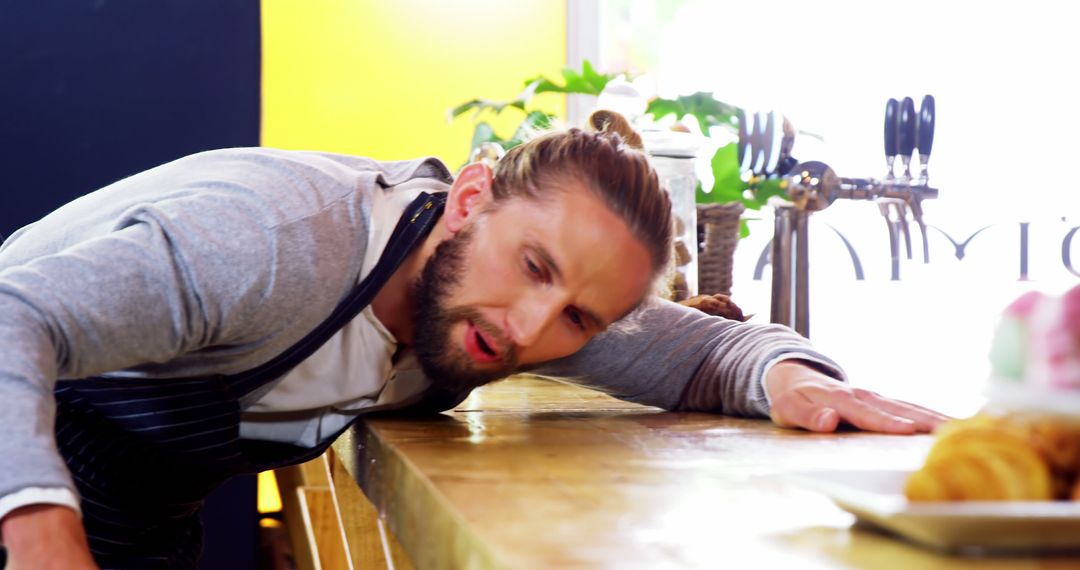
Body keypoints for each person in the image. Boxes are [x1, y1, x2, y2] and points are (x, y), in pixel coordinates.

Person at [0, 112, 945, 568]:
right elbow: (12, 317)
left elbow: (700, 351)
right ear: (469, 199)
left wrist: (790, 376)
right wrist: (39, 528)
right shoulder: (274, 240)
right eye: (534, 266)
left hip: (133, 521)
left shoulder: (508, 312)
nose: (535, 331)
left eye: (580, 316)